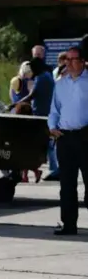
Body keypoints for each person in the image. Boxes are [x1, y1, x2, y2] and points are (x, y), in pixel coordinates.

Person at [47, 46, 88, 236]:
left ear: (83, 61)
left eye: (73, 59)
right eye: (67, 60)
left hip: (85, 136)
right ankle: (69, 224)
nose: (69, 63)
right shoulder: (61, 84)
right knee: (67, 184)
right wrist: (52, 126)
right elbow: (54, 109)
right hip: (65, 137)